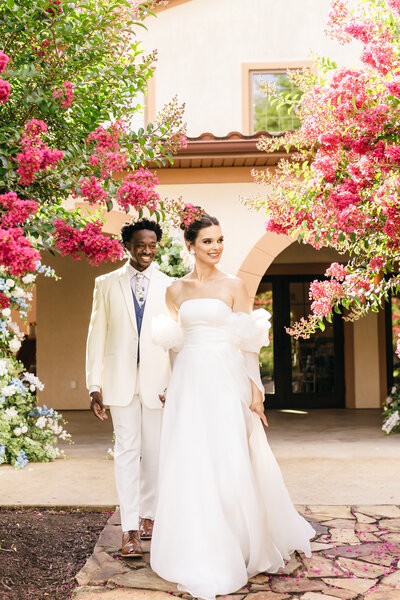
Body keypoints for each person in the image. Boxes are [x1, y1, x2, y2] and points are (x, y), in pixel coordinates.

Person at [150, 211, 315, 600]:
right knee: (191, 458)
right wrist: (170, 386)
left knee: (228, 455)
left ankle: (239, 542)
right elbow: (174, 347)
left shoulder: (236, 286)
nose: (217, 247)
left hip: (225, 379)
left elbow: (247, 345)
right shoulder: (175, 291)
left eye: (220, 239)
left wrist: (255, 389)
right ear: (190, 245)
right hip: (189, 381)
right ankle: (196, 542)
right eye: (208, 241)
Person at [86, 218, 172, 558]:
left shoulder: (170, 285)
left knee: (154, 454)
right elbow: (96, 336)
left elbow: (175, 338)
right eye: (141, 245)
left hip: (158, 384)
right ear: (128, 245)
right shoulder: (106, 284)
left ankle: (149, 516)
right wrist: (95, 384)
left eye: (152, 245)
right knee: (126, 453)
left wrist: (174, 381)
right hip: (119, 383)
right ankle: (130, 529)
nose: (147, 251)